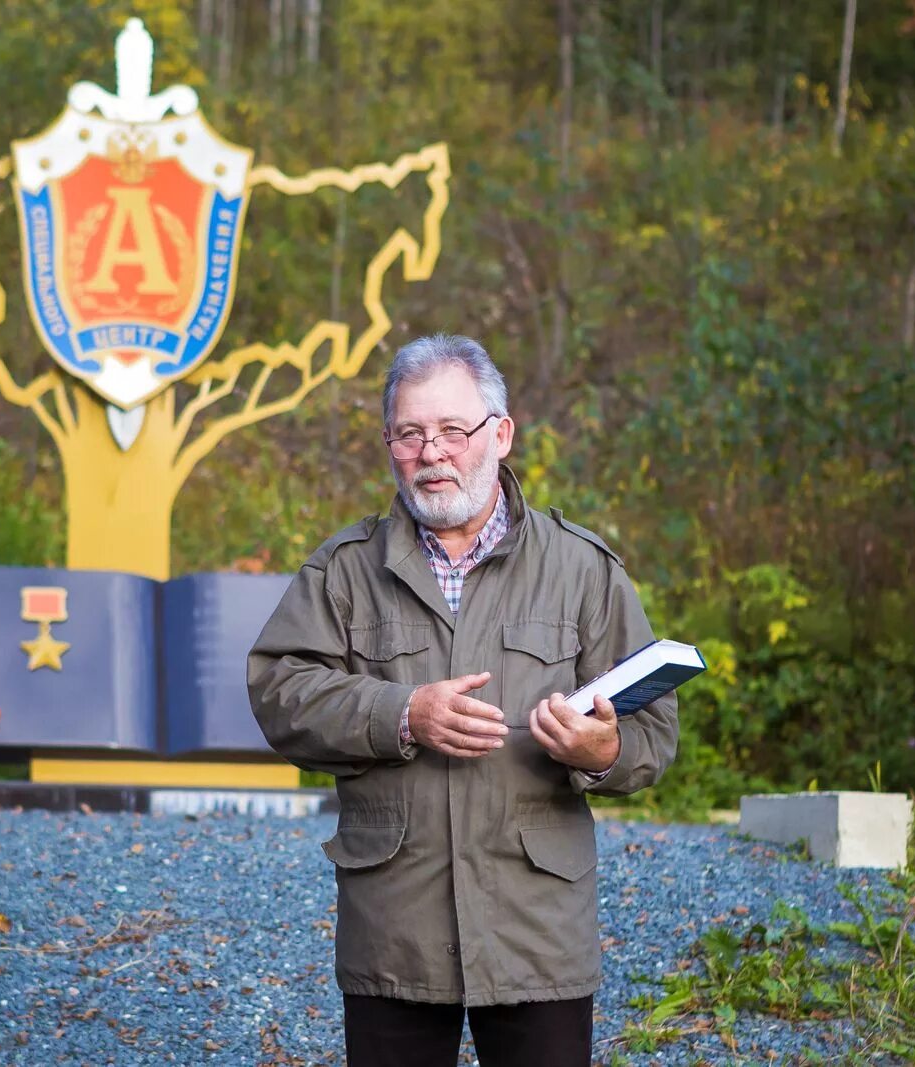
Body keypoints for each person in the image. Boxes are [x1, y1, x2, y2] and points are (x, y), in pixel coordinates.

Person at [246, 334, 679, 1067]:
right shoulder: (344, 571)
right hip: (397, 925)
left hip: (536, 929)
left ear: (501, 434)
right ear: (389, 443)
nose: (432, 451)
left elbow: (655, 733)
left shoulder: (582, 570)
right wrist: (402, 713)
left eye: (454, 429)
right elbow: (280, 692)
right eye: (410, 433)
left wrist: (603, 751)